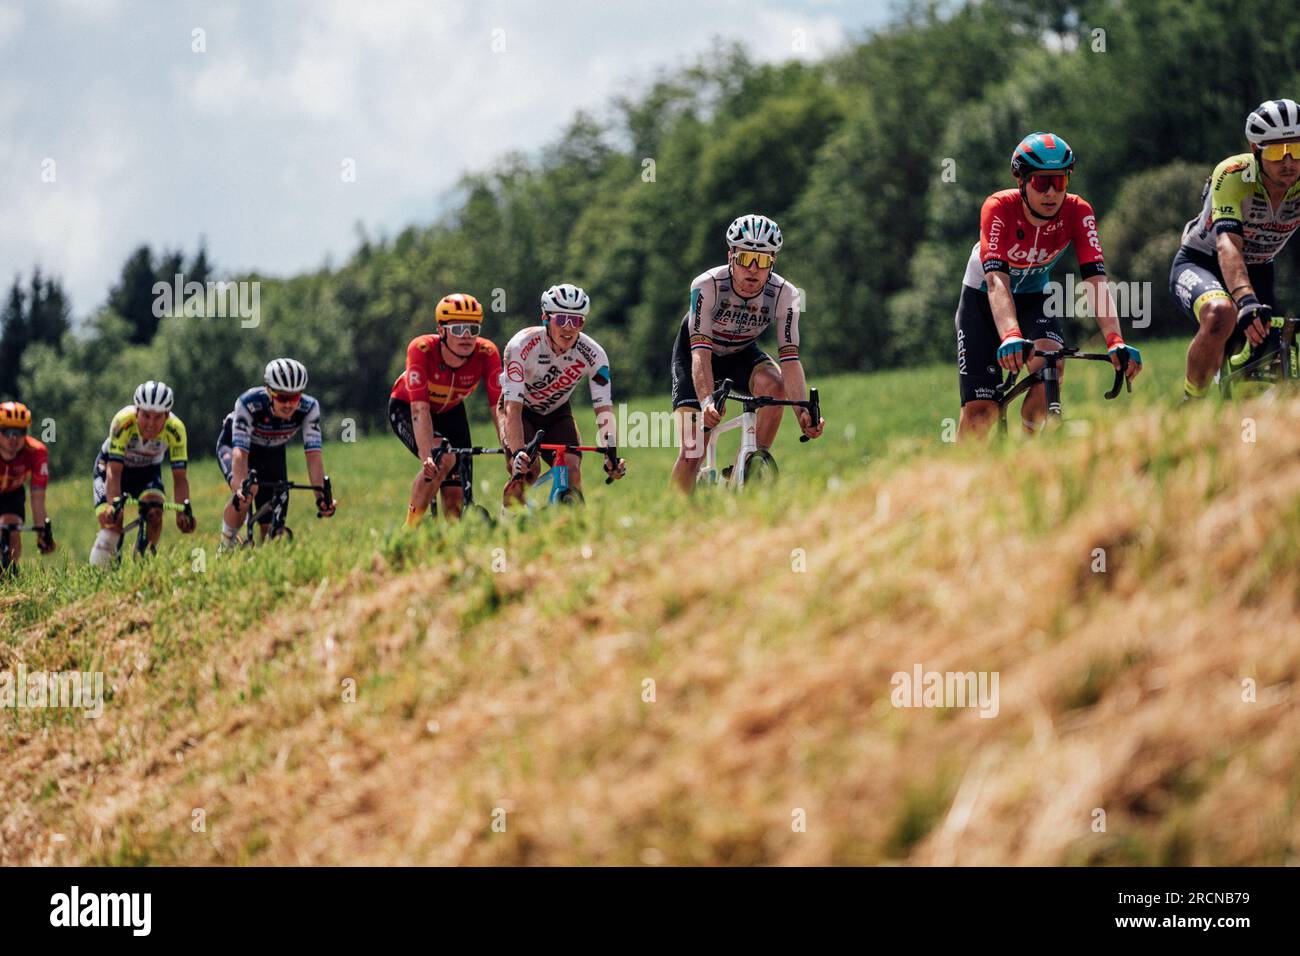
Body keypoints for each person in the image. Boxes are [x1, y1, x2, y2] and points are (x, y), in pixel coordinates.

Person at [955, 132, 1142, 438]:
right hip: (983, 300)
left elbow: (1095, 279)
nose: (1052, 193)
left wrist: (1114, 340)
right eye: (1042, 183)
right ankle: (960, 480)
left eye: (1061, 182)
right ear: (1022, 182)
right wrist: (1011, 334)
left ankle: (1032, 451)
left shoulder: (1078, 212)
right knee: (981, 409)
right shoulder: (999, 207)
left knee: (1049, 370)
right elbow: (996, 281)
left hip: (1033, 296)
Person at [669, 213, 824, 493]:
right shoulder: (706, 285)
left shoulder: (786, 295)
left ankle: (748, 468)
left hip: (742, 352)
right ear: (731, 256)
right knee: (693, 450)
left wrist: (802, 410)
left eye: (763, 260)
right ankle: (676, 514)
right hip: (697, 353)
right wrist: (706, 402)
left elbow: (789, 360)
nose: (753, 269)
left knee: (774, 386)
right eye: (745, 258)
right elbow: (700, 355)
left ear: (772, 262)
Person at [1172, 99, 1300, 399]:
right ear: (1256, 150)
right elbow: (1227, 244)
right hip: (1202, 262)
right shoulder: (1233, 174)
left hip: (1259, 268)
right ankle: (1191, 402)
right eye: (1276, 151)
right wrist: (1244, 299)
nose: (1289, 161)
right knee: (1220, 313)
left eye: (1297, 149)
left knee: (1259, 376)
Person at [498, 283, 626, 506]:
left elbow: (604, 409)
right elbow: (513, 408)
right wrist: (518, 452)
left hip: (557, 412)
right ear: (545, 317)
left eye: (575, 320)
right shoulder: (521, 346)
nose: (568, 327)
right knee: (528, 469)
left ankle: (573, 528)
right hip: (520, 411)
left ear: (582, 323)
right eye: (561, 319)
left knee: (572, 470)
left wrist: (611, 453)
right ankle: (510, 521)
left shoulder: (594, 354)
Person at [389, 293, 503, 525]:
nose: (466, 336)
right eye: (459, 328)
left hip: (451, 410)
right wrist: (426, 455)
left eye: (473, 329)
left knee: (456, 501)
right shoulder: (421, 349)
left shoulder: (487, 353)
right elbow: (419, 409)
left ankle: (453, 545)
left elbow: (499, 407)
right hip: (408, 407)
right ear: (441, 331)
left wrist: (510, 446)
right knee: (442, 460)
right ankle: (409, 531)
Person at [216, 358, 335, 549]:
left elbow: (313, 457)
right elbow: (240, 452)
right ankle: (225, 544)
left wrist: (321, 498)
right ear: (269, 392)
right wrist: (240, 488)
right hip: (236, 446)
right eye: (282, 398)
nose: (288, 404)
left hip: (273, 451)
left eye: (294, 398)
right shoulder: (249, 403)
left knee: (272, 532)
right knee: (248, 491)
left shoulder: (309, 408)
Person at [88, 381, 194, 566]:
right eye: (145, 416)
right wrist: (113, 506)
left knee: (155, 512)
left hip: (147, 471)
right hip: (111, 467)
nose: (151, 424)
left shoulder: (176, 429)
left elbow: (180, 478)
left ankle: (143, 563)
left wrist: (182, 513)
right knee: (112, 523)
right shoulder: (123, 421)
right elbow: (114, 471)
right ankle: (100, 573)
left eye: (157, 417)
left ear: (167, 415)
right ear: (137, 411)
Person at [0, 400, 55, 567]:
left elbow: (38, 497)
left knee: (11, 528)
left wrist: (41, 531)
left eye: (19, 431)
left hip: (12, 493)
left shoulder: (36, 452)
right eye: (7, 431)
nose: (13, 438)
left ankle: (10, 576)